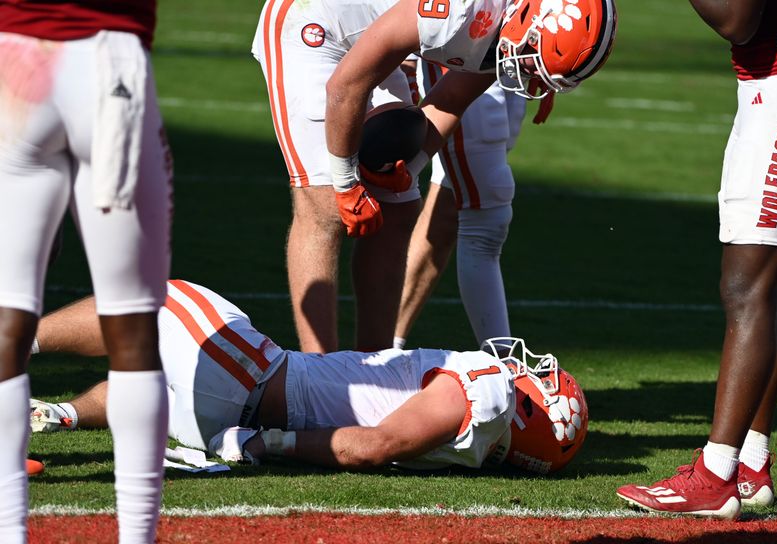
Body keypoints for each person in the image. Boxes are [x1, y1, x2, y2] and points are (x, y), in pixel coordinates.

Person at [251, 0, 617, 353]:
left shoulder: (507, 25)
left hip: (375, 36)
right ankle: (317, 376)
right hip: (311, 23)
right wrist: (346, 183)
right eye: (533, 59)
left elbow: (453, 97)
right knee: (324, 206)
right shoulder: (460, 10)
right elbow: (344, 87)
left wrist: (408, 169)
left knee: (399, 206)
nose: (529, 75)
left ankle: (373, 368)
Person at [29, 280, 588, 473]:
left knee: (155, 298)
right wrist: (248, 439)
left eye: (539, 381)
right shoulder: (476, 442)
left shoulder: (488, 392)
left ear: (535, 411)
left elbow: (373, 446)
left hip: (256, 383)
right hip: (228, 416)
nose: (526, 369)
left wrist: (264, 443)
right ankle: (56, 415)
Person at [616, 0, 777, 521]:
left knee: (748, 289)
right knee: (770, 286)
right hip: (776, 85)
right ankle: (750, 464)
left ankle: (717, 475)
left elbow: (736, 20)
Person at [0, 2, 172, 542]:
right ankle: (137, 535)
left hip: (14, 58)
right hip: (107, 58)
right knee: (132, 322)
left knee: (8, 310)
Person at [394, 60, 529, 350]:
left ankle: (382, 350)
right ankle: (504, 367)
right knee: (485, 219)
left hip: (507, 52)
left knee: (450, 208)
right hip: (462, 45)